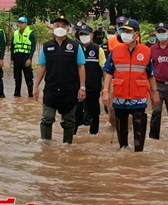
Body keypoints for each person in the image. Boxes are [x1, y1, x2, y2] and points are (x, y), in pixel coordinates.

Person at [102, 19, 159, 151]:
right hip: (120, 95)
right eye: (123, 31)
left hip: (138, 95)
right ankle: (124, 150)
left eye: (128, 31)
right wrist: (105, 91)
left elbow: (151, 74)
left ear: (136, 34)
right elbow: (109, 73)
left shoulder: (146, 51)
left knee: (139, 125)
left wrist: (155, 93)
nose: (124, 33)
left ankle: (138, 154)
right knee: (121, 128)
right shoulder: (115, 51)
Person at [34, 16, 86, 144]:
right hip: (51, 90)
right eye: (57, 25)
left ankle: (67, 147)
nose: (60, 28)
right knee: (47, 118)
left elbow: (81, 66)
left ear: (68, 29)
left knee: (69, 122)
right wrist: (36, 86)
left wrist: (82, 88)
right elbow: (42, 67)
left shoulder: (75, 46)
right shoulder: (46, 47)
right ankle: (46, 147)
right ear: (52, 29)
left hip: (70, 90)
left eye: (63, 26)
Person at [74, 23, 105, 135]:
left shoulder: (98, 50)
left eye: (86, 34)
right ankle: (72, 136)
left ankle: (93, 135)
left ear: (91, 35)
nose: (83, 36)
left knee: (94, 112)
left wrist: (105, 86)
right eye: (81, 34)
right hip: (77, 88)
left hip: (93, 87)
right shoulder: (75, 49)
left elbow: (104, 69)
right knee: (76, 112)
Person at [10, 16, 36, 97]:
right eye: (19, 23)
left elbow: (33, 48)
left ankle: (31, 94)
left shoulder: (31, 34)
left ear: (26, 24)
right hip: (17, 58)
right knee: (17, 78)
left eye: (22, 23)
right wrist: (12, 59)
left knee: (28, 78)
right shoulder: (15, 34)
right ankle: (17, 94)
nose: (20, 24)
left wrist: (30, 59)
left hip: (26, 58)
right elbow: (13, 47)